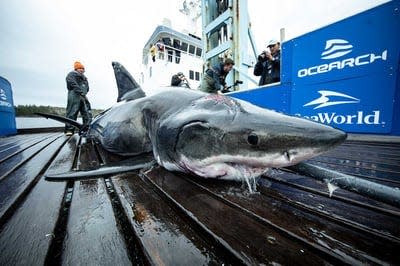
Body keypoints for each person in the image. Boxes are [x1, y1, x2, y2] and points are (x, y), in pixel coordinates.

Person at [65, 61, 92, 136]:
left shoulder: (84, 78)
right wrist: (80, 92)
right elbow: (72, 84)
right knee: (72, 112)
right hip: (74, 95)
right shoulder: (71, 74)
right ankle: (69, 130)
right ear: (76, 69)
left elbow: (87, 87)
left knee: (86, 113)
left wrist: (84, 93)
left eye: (83, 68)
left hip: (83, 96)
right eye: (80, 68)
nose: (82, 70)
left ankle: (86, 129)